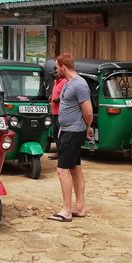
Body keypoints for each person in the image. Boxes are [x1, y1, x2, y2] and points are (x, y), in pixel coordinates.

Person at [47, 53, 94, 222]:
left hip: (73, 132)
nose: (56, 70)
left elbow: (87, 110)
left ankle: (66, 210)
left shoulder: (80, 85)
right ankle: (79, 207)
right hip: (68, 130)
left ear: (63, 67)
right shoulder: (69, 82)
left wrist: (88, 126)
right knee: (75, 168)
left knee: (62, 170)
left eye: (57, 67)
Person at [48, 67, 67, 160]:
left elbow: (66, 94)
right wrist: (51, 96)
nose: (54, 73)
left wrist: (58, 99)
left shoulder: (64, 81)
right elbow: (55, 92)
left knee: (60, 134)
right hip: (54, 111)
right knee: (55, 134)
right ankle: (59, 151)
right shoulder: (56, 82)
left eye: (56, 71)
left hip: (61, 112)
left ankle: (61, 153)